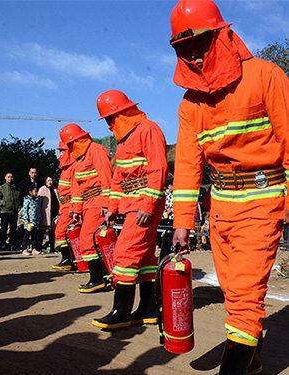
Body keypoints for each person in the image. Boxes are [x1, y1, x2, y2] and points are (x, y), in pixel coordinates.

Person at [169, 1, 289, 373]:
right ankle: (251, 361)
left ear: (222, 35)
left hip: (262, 201)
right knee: (235, 293)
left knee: (245, 294)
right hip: (221, 209)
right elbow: (188, 167)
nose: (195, 56)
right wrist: (182, 225)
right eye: (184, 50)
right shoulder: (190, 104)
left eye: (200, 44)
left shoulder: (266, 76)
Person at [91, 90, 168, 329]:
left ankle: (121, 311)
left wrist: (148, 203)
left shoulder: (148, 129)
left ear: (120, 114)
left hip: (145, 205)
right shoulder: (123, 142)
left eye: (109, 119)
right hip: (131, 205)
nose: (108, 125)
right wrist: (111, 207)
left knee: (124, 253)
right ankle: (148, 308)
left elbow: (159, 169)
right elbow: (118, 180)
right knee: (143, 257)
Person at [60, 123, 113, 293]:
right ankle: (103, 277)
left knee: (87, 240)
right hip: (87, 204)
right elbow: (76, 188)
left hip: (98, 201)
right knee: (92, 240)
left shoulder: (96, 151)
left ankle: (97, 279)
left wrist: (107, 204)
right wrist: (76, 210)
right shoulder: (78, 159)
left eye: (69, 144)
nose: (67, 149)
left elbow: (106, 178)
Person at [52, 142, 76, 271]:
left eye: (62, 151)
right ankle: (70, 259)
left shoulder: (72, 168)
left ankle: (68, 259)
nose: (60, 154)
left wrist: (73, 208)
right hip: (64, 206)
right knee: (62, 232)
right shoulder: (65, 169)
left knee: (61, 232)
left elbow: (75, 190)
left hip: (70, 206)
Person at [0, 172, 21, 251]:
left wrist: (18, 206)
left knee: (13, 229)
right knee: (4, 228)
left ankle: (12, 244)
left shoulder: (16, 189)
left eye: (11, 177)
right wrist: (4, 203)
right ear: (5, 178)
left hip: (14, 212)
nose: (10, 178)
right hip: (4, 211)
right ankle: (2, 243)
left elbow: (19, 200)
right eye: (9, 177)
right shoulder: (1, 188)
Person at [38, 176, 59, 253]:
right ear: (46, 181)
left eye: (51, 180)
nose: (50, 182)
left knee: (52, 231)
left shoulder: (55, 189)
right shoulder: (42, 189)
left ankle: (52, 247)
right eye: (48, 180)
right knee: (42, 230)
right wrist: (39, 213)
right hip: (45, 213)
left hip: (54, 213)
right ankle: (39, 247)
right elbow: (39, 203)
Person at [20, 185, 41, 255]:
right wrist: (26, 219)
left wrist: (39, 218)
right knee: (26, 235)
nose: (37, 192)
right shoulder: (27, 199)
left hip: (35, 221)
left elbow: (38, 210)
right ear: (30, 192)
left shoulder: (37, 200)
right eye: (35, 191)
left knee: (34, 235)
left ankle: (34, 248)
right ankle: (24, 249)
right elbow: (25, 210)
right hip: (28, 221)